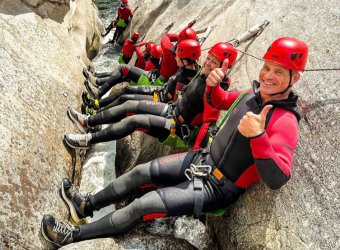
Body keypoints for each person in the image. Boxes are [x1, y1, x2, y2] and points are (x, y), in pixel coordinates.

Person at [41, 37, 308, 246]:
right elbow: (219, 102)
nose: (268, 76)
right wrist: (214, 86)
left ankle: (75, 234)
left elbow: (278, 177)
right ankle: (86, 204)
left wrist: (259, 136)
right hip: (202, 159)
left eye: (279, 72)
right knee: (140, 173)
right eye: (267, 67)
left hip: (217, 187)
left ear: (294, 78)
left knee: (144, 205)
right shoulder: (253, 94)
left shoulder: (285, 120)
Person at [64, 39, 229, 150]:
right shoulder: (200, 72)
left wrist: (198, 149)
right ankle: (88, 121)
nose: (207, 63)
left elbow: (211, 119)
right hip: (171, 110)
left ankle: (89, 139)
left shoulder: (216, 90)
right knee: (127, 103)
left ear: (224, 68)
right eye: (208, 58)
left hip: (177, 128)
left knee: (134, 119)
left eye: (214, 62)